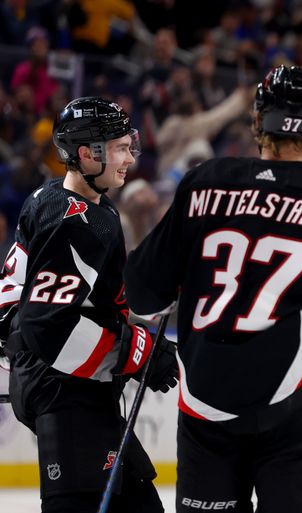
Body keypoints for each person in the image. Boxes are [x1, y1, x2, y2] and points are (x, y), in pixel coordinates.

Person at [123, 65, 302, 513]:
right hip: (295, 403)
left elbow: (141, 293)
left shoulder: (203, 181)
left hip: (204, 403)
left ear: (257, 121)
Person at [0, 97, 178, 512]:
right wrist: (138, 351)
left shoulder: (55, 201)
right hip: (63, 391)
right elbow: (50, 327)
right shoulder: (74, 224)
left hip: (70, 387)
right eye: (119, 148)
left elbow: (15, 306)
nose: (130, 157)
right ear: (86, 154)